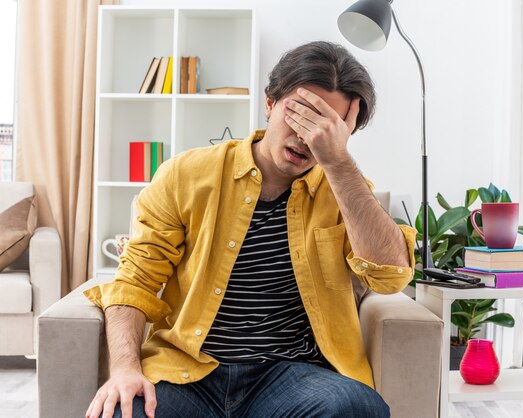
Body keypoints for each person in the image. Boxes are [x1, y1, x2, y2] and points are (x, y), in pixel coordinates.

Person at [84, 41, 416, 418]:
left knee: (357, 408)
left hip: (293, 377)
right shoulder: (185, 175)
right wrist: (125, 370)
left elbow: (390, 278)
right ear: (270, 103)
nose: (306, 137)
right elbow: (135, 282)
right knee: (122, 409)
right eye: (300, 114)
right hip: (189, 369)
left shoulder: (346, 191)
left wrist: (339, 162)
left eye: (327, 127)